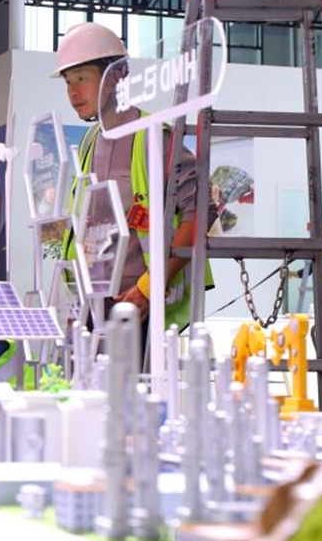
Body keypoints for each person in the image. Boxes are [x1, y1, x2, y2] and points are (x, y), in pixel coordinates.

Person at [54, 22, 211, 339]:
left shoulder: (154, 136)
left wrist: (147, 289)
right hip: (92, 306)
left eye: (82, 79)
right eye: (69, 82)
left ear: (116, 75)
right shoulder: (89, 142)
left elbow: (199, 215)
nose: (73, 92)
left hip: (141, 307)